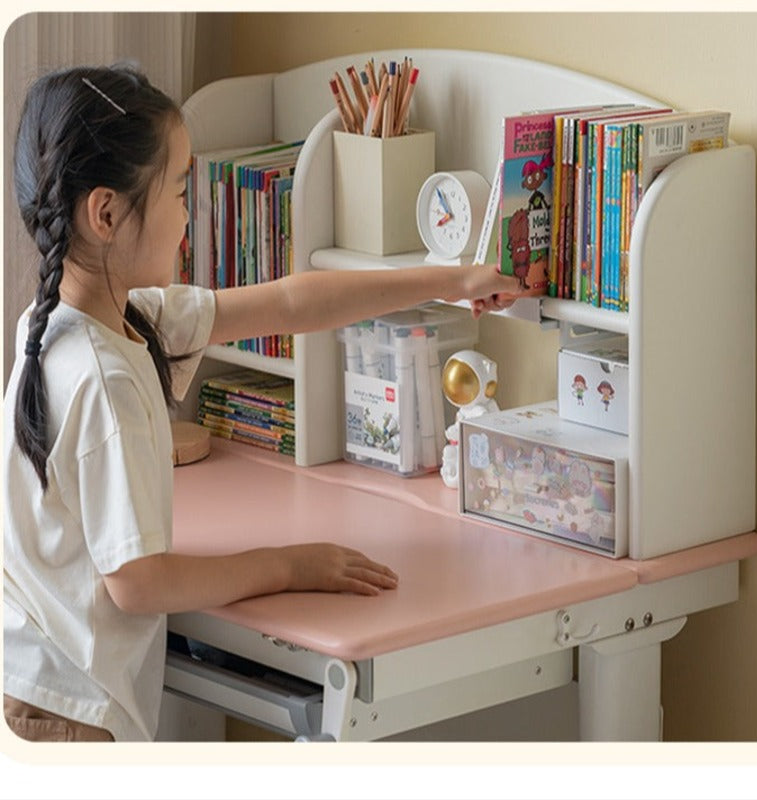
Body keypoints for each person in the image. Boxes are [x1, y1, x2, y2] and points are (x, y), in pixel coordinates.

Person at [2, 64, 522, 743]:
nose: (189, 215)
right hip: (66, 715)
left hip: (36, 677)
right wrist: (289, 564)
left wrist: (454, 280)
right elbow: (139, 582)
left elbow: (289, 301)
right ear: (106, 213)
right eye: (181, 190)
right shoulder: (105, 376)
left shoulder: (90, 324)